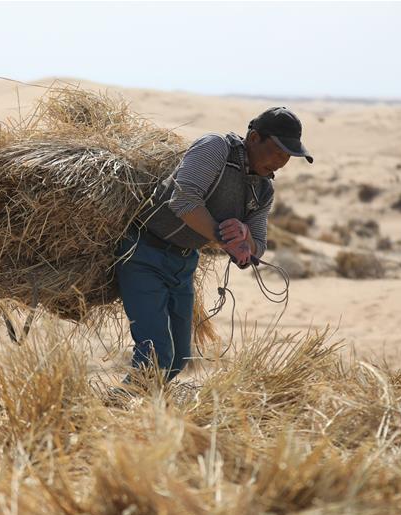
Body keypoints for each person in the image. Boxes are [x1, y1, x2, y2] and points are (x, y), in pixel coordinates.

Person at [115, 106, 314, 387]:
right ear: (254, 138)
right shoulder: (216, 148)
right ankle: (117, 410)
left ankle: (138, 411)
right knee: (155, 355)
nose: (282, 161)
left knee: (178, 359)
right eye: (279, 151)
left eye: (289, 156)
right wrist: (225, 239)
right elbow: (183, 201)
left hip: (183, 265)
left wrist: (244, 238)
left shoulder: (263, 190)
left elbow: (258, 245)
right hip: (144, 253)